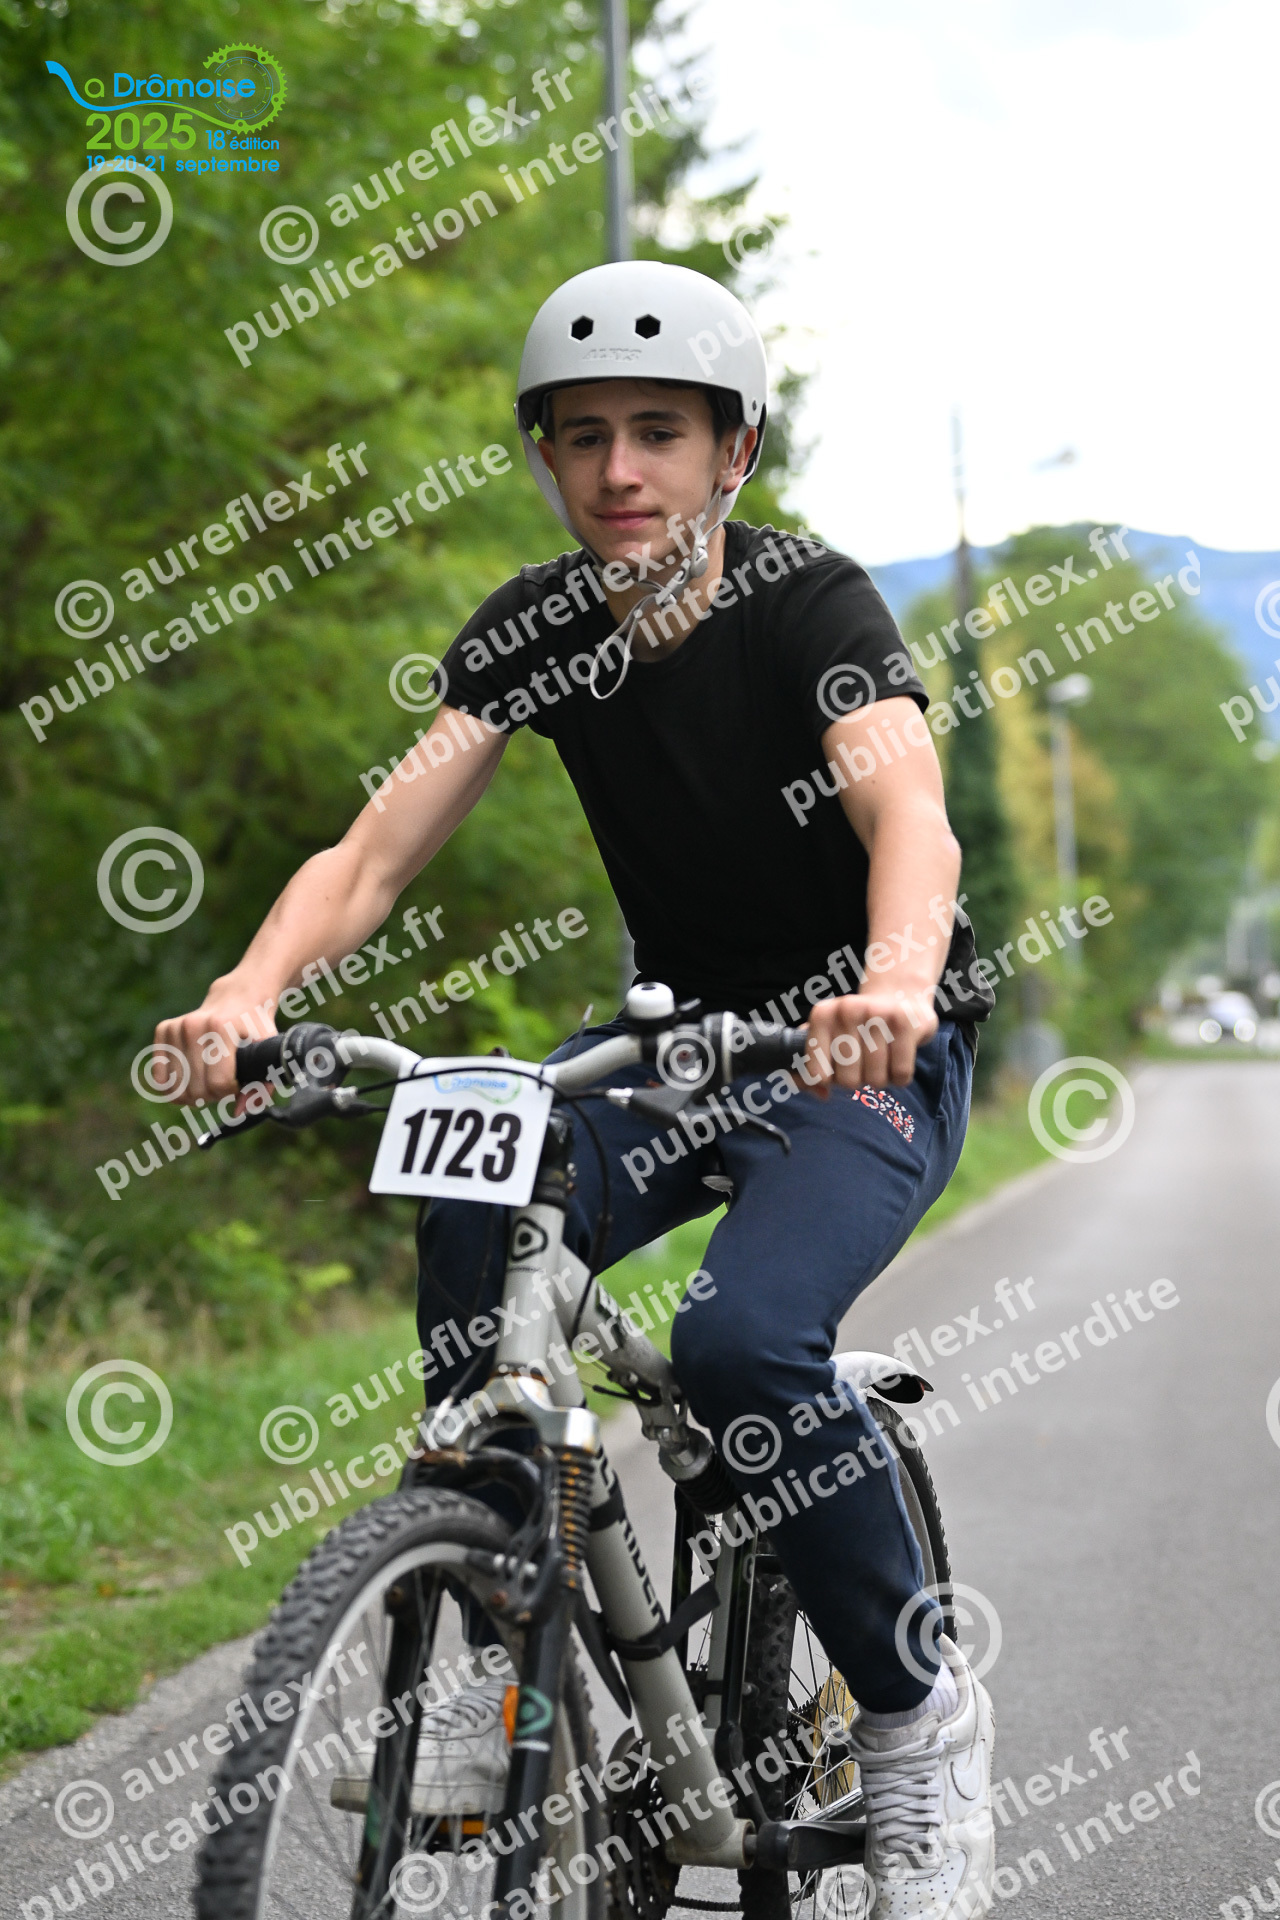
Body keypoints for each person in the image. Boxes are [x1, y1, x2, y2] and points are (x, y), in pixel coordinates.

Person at [156, 259, 996, 1917]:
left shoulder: (810, 606)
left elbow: (911, 814)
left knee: (745, 1346)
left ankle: (917, 1722)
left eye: (660, 433)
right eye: (585, 435)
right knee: (478, 1171)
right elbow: (373, 854)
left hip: (858, 1051)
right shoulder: (538, 628)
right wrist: (249, 995)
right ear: (546, 455)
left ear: (732, 453)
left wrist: (896, 980)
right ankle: (491, 1641)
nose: (622, 471)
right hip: (672, 1046)